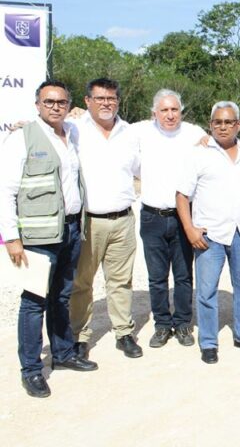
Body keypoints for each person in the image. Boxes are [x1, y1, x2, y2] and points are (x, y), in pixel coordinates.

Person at [0, 80, 98, 398]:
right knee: (34, 302)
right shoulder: (21, 139)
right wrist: (11, 238)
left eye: (61, 102)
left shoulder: (71, 133)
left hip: (70, 229)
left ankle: (64, 353)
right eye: (49, 102)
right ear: (37, 104)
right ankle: (31, 370)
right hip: (38, 237)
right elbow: (5, 190)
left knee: (61, 296)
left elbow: (95, 115)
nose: (55, 107)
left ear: (69, 105)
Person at [176, 101, 240, 364]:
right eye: (217, 122)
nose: (223, 127)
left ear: (238, 124)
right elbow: (182, 196)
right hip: (210, 235)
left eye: (228, 122)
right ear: (211, 124)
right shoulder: (198, 154)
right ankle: (209, 342)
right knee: (206, 291)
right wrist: (190, 229)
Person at [69, 78, 143, 359]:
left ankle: (124, 333)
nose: (106, 103)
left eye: (111, 98)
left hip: (123, 219)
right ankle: (80, 336)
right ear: (86, 101)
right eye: (99, 98)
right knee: (82, 283)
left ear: (118, 102)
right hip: (88, 221)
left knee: (121, 281)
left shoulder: (130, 133)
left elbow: (142, 169)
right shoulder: (74, 128)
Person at [134, 89, 206, 348]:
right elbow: (103, 128)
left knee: (184, 275)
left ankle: (184, 323)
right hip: (152, 216)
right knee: (156, 277)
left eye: (174, 109)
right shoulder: (140, 131)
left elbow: (224, 141)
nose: (170, 114)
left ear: (181, 111)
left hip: (183, 216)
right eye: (164, 110)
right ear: (154, 112)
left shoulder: (195, 133)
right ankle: (162, 325)